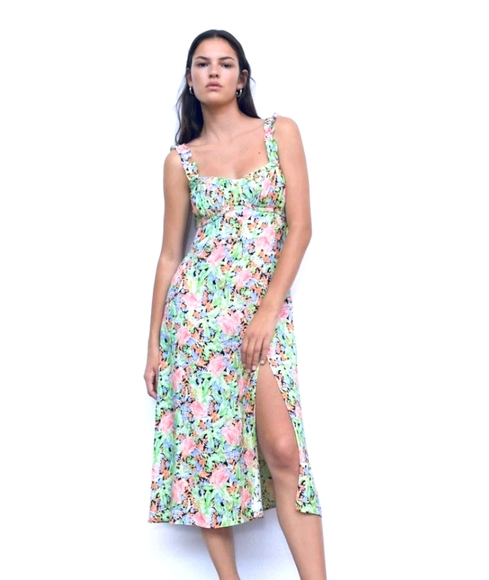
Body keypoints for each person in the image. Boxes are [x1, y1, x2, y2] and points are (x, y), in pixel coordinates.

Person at [144, 29, 327, 580]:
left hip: (260, 316)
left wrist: (268, 311)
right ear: (191, 79)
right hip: (195, 323)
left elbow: (301, 228)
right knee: (208, 458)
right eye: (202, 64)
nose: (214, 72)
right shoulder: (180, 161)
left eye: (225, 64)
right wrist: (153, 346)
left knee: (284, 450)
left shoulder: (279, 132)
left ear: (242, 78)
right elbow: (170, 256)